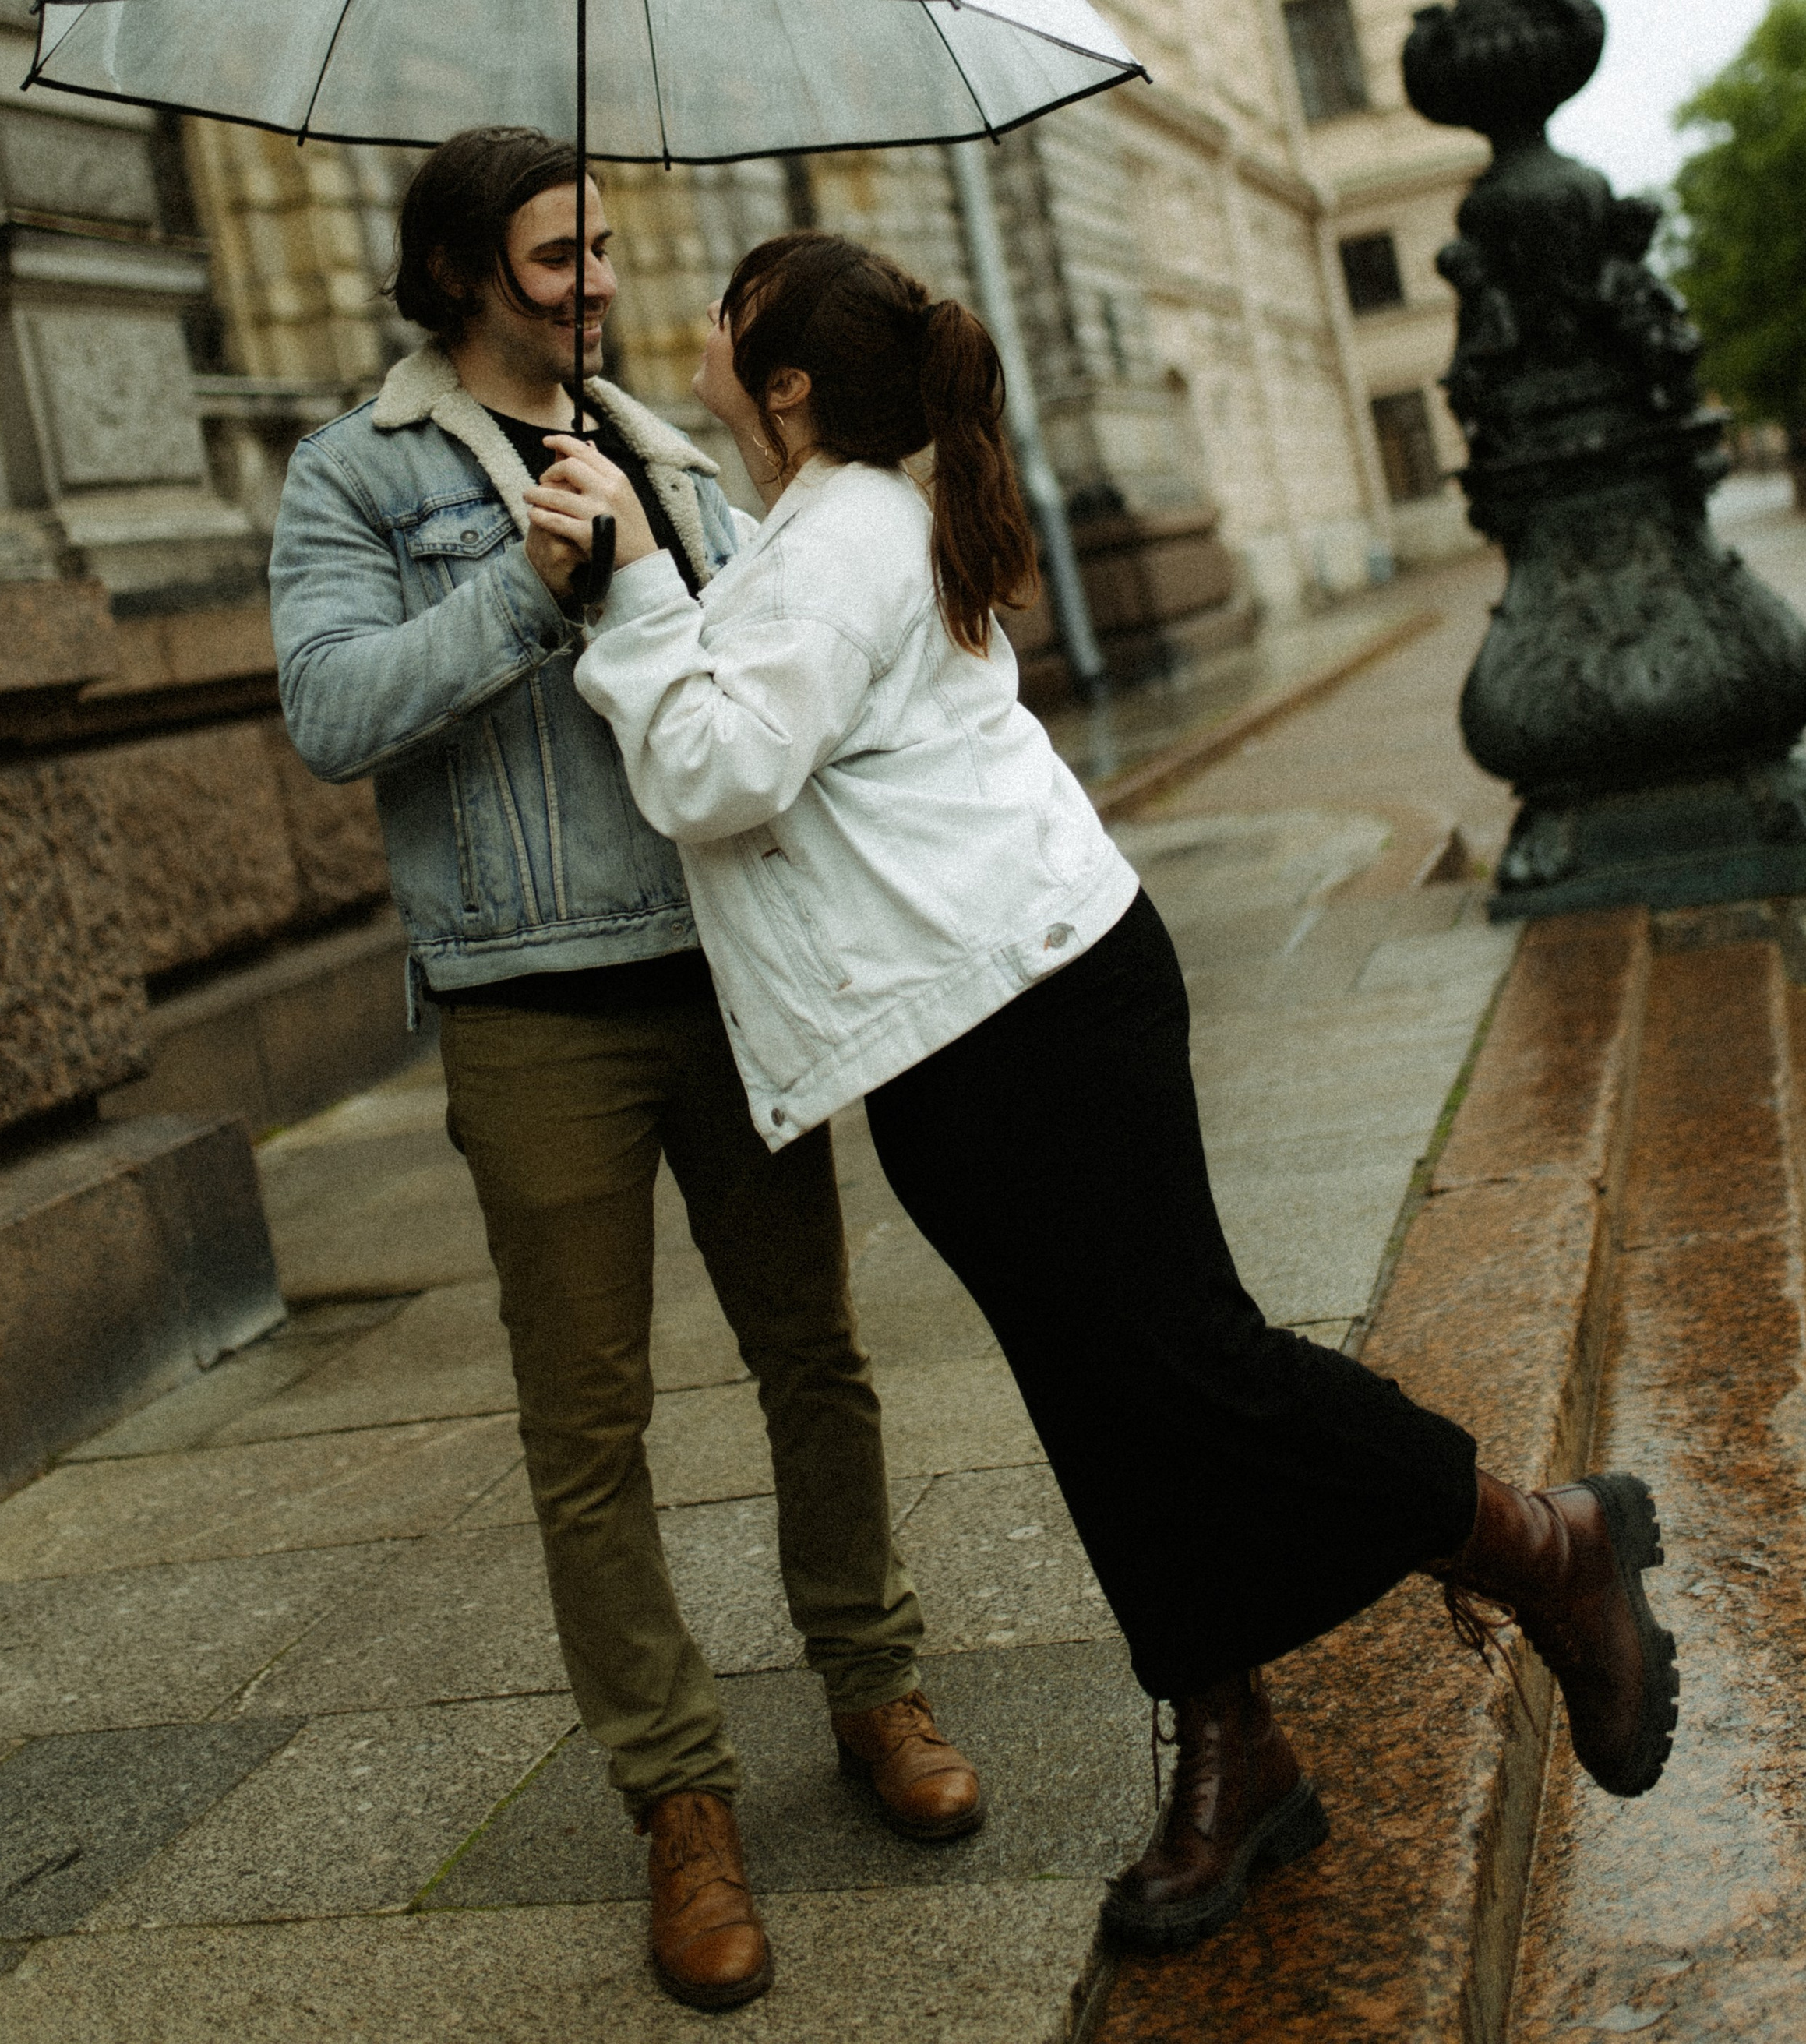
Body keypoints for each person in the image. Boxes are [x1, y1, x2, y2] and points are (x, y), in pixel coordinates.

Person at [531, 228, 1681, 1961]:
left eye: (723, 313)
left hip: (1033, 1011)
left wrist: (623, 593)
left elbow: (717, 766)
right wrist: (630, 566)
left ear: (780, 384)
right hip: (957, 1024)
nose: (685, 325)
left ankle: (1539, 1548)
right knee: (1097, 1402)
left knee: (1194, 1366)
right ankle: (1234, 1745)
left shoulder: (844, 533)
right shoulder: (816, 527)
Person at [270, 137, 982, 2018]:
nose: (592, 279)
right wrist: (520, 588)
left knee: (813, 1355)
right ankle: (679, 1804)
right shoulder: (357, 472)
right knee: (587, 1429)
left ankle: (870, 1685)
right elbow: (331, 712)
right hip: (528, 1005)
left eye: (599, 245)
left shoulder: (670, 452)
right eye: (553, 252)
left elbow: (758, 690)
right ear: (457, 270)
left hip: (720, 975)